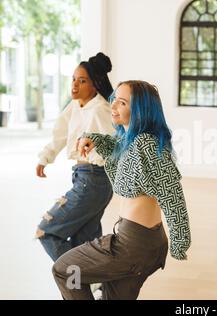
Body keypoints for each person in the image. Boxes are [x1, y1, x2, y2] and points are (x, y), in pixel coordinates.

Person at [52, 80, 191, 300]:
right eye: (114, 99)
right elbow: (117, 147)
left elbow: (171, 191)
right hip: (143, 242)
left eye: (123, 103)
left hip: (133, 244)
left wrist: (180, 239)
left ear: (139, 111)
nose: (114, 106)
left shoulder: (146, 143)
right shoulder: (131, 139)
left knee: (64, 270)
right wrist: (94, 139)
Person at [35, 52, 115, 261]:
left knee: (47, 230)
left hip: (94, 179)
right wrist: (46, 157)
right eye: (73, 79)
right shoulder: (75, 105)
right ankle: (89, 284)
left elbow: (115, 144)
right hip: (84, 177)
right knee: (85, 243)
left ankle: (77, 279)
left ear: (95, 84)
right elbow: (60, 132)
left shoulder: (100, 109)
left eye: (82, 81)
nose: (75, 85)